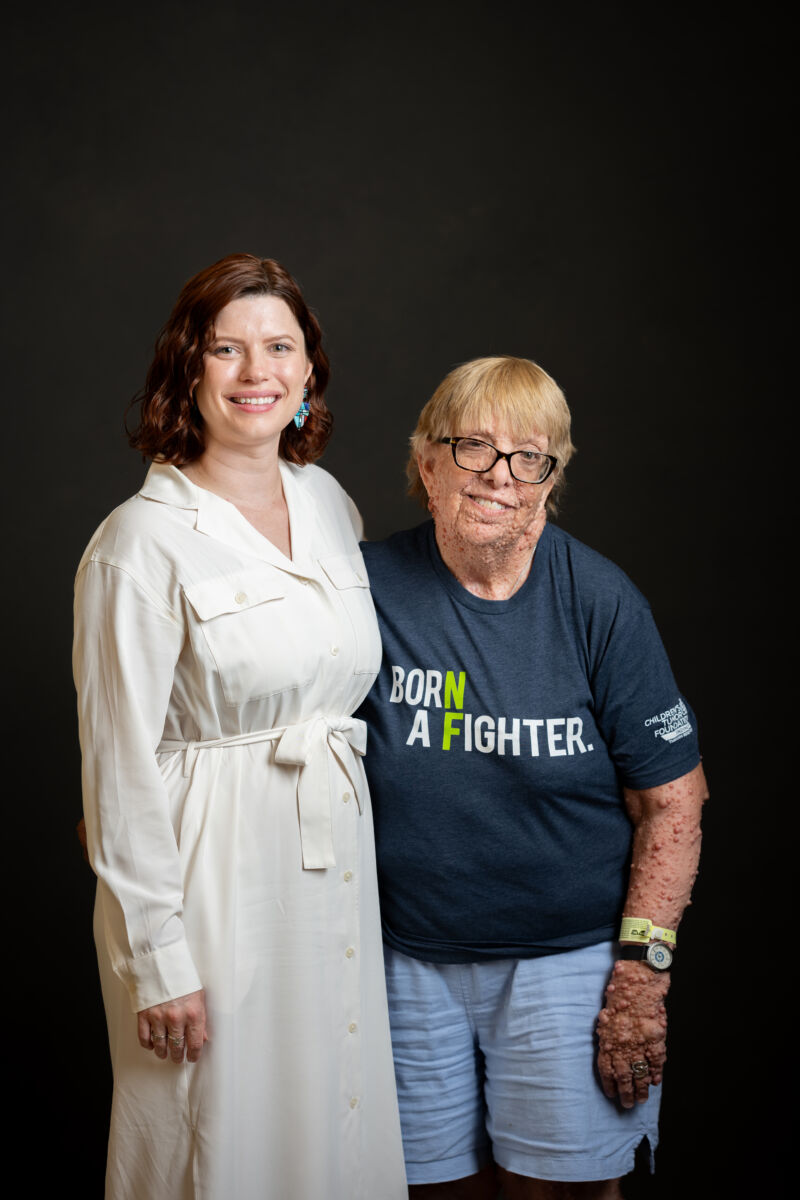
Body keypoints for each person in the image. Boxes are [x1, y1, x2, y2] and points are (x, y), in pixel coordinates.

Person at [73, 253, 407, 1200]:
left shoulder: (329, 504)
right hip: (208, 874)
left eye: (277, 347)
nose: (254, 371)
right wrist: (156, 958)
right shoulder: (138, 545)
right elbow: (117, 770)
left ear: (308, 373)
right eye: (225, 348)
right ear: (188, 368)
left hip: (330, 867)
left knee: (331, 1114)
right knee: (216, 1135)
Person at [357, 356, 708, 1199]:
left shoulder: (601, 602)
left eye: (528, 457)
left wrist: (638, 981)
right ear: (426, 464)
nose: (498, 477)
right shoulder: (362, 587)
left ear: (553, 478)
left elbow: (673, 803)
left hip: (569, 963)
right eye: (472, 447)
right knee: (429, 1190)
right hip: (404, 959)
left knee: (564, 1194)